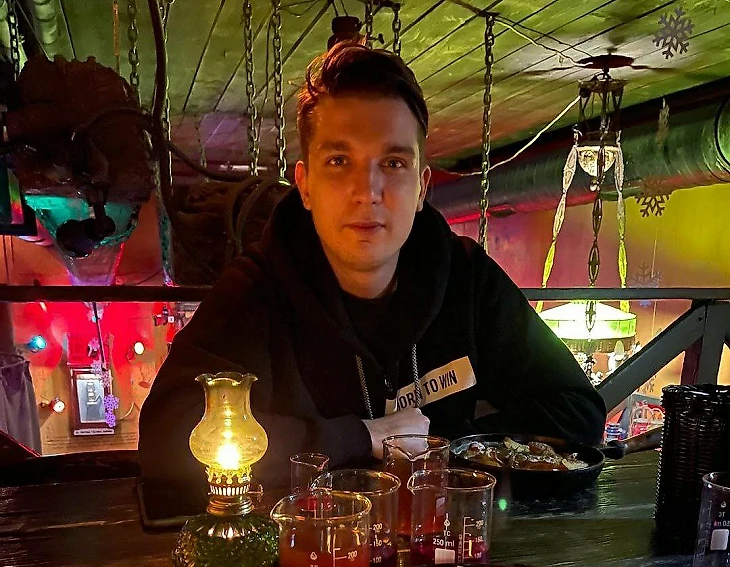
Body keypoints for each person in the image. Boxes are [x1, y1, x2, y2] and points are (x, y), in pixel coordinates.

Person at [139, 42, 606, 501]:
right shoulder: (255, 291)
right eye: (339, 161)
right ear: (305, 185)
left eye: (394, 163)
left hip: (440, 532)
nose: (367, 191)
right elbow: (168, 438)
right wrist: (362, 437)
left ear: (421, 187)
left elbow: (577, 409)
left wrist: (447, 446)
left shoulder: (468, 278)